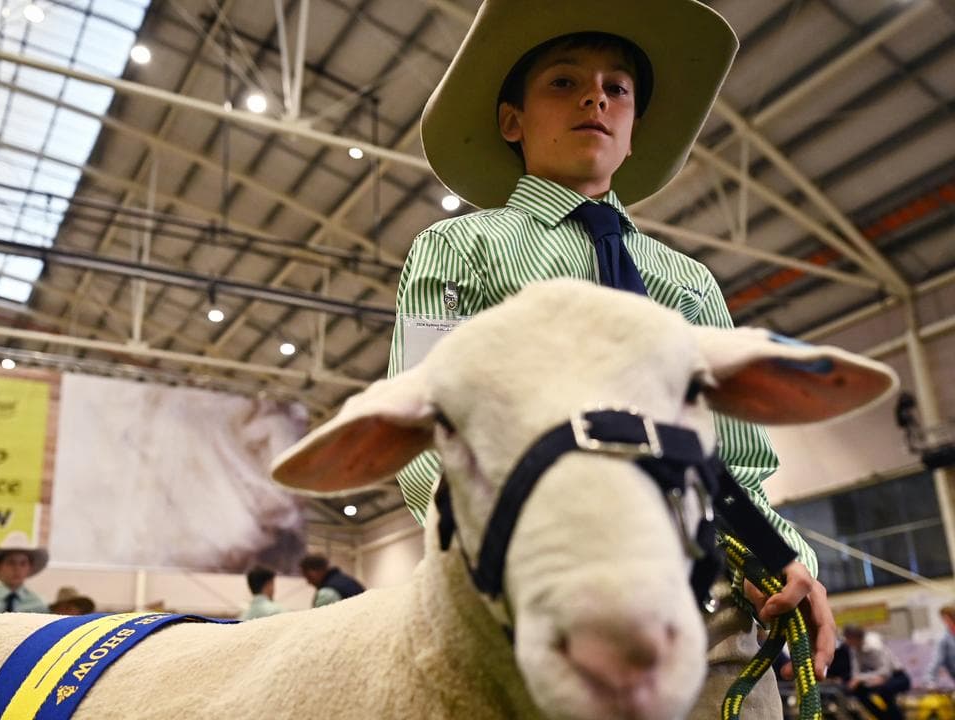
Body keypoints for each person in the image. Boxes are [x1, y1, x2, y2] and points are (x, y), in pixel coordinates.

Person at [390, 0, 834, 712]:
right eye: (563, 82)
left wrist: (785, 563)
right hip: (535, 595)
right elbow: (426, 429)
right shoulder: (460, 251)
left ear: (632, 131)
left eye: (616, 88)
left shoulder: (688, 282)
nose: (595, 96)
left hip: (708, 611)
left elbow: (742, 459)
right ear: (513, 121)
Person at [829, 625, 910, 720]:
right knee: (857, 691)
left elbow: (885, 671)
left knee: (884, 691)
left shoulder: (874, 646)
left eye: (847, 638)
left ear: (855, 637)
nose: (846, 641)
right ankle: (882, 717)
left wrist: (860, 679)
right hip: (874, 678)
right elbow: (856, 670)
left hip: (897, 677)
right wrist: (856, 680)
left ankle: (896, 718)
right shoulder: (854, 648)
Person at [298, 555, 364, 609]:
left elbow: (321, 621)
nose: (308, 582)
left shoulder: (327, 593)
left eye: (308, 576)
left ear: (315, 572)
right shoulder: (345, 580)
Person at [923, 604, 955, 687]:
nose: (946, 622)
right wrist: (929, 680)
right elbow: (936, 660)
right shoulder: (943, 640)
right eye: (944, 619)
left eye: (948, 619)